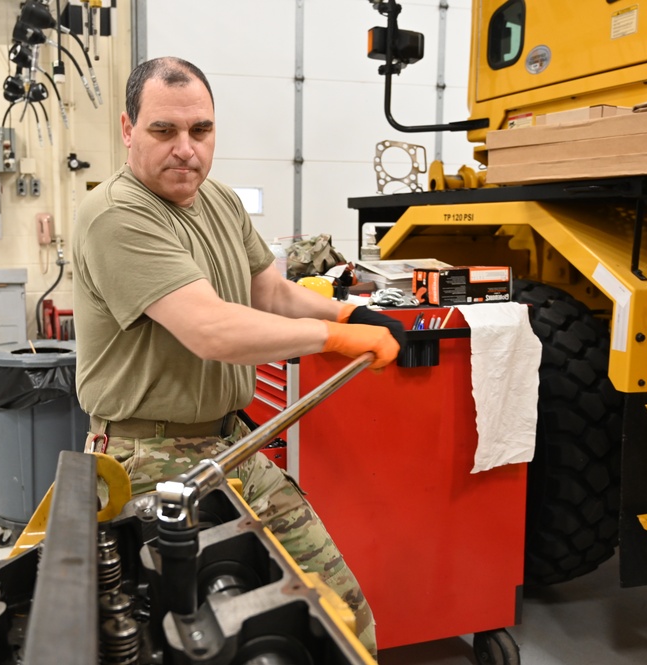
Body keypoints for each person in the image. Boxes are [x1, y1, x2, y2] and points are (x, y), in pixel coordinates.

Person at [72, 56, 404, 658]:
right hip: (149, 459)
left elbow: (269, 291)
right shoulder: (116, 215)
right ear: (127, 129)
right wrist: (333, 341)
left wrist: (348, 314)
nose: (185, 149)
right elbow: (208, 328)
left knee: (341, 616)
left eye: (200, 131)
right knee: (201, 643)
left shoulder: (219, 201)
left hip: (231, 446)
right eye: (163, 131)